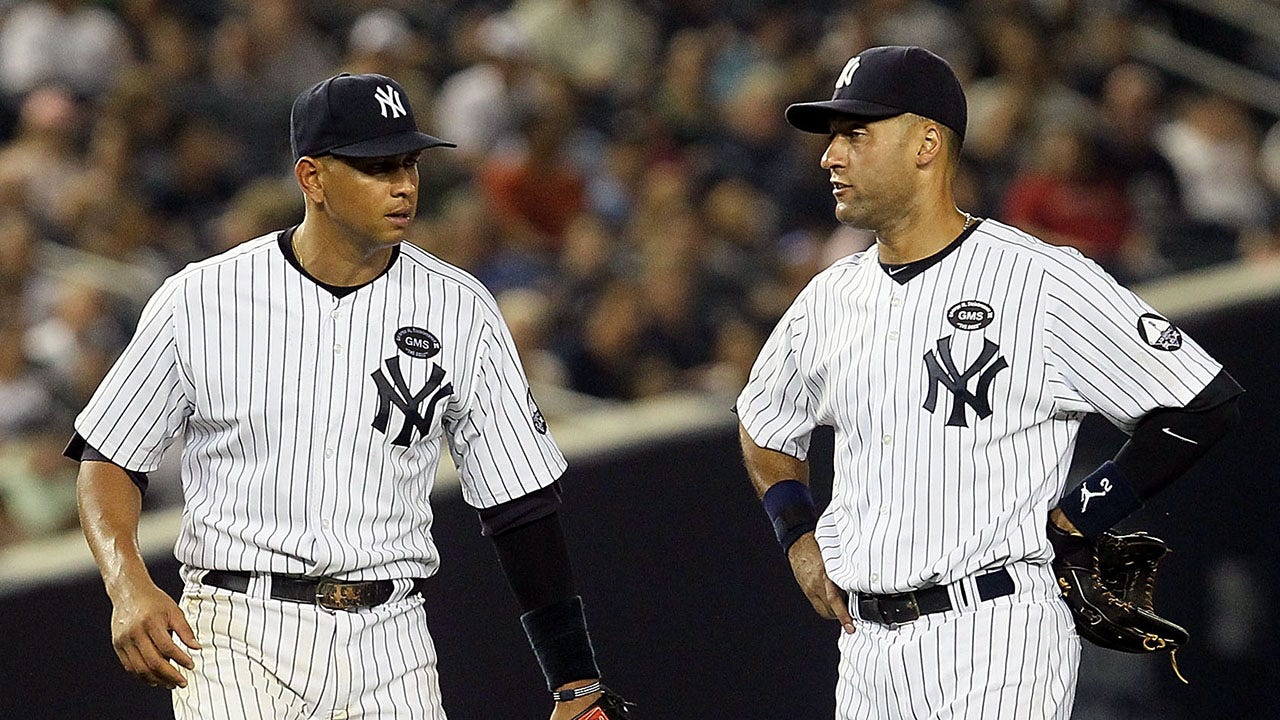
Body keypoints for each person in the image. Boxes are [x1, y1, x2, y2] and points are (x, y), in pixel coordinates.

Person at [67, 73, 620, 719]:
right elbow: (108, 457)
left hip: (392, 637)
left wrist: (574, 679)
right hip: (237, 629)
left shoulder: (461, 308)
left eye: (409, 163)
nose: (404, 184)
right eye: (376, 166)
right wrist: (127, 583)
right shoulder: (200, 298)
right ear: (312, 178)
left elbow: (519, 505)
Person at [735, 46, 1242, 718]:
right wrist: (797, 537)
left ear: (926, 143)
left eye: (856, 135)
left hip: (997, 636)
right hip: (865, 654)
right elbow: (764, 422)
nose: (830, 156)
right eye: (832, 138)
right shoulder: (829, 298)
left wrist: (1082, 514)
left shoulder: (1040, 281)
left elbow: (1202, 401)